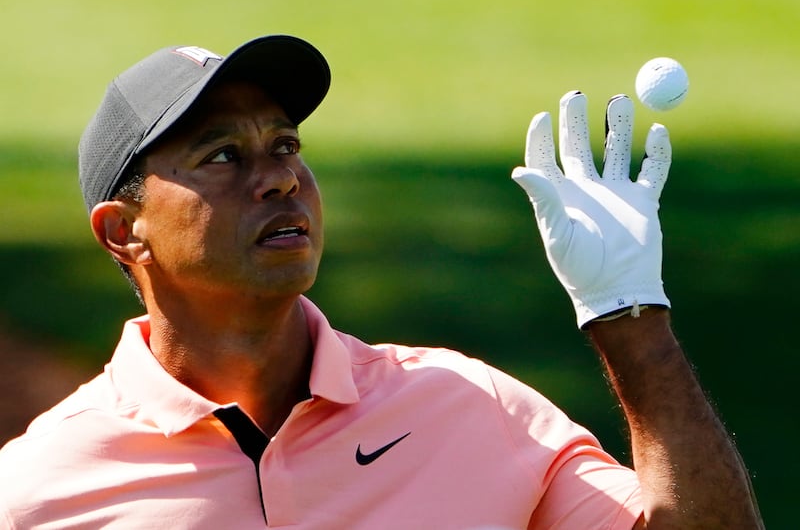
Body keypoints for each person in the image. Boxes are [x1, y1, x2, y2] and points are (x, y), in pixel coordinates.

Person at [0, 35, 762, 529]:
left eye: (287, 143)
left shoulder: (470, 406)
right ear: (121, 231)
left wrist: (631, 318)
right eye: (224, 155)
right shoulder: (37, 491)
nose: (280, 178)